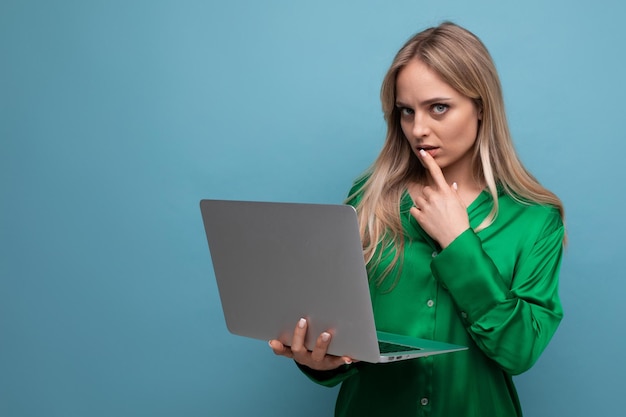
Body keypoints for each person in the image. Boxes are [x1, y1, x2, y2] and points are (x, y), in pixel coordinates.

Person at [269, 21, 565, 417]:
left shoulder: (535, 220)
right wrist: (317, 361)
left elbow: (519, 351)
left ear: (481, 106)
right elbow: (339, 333)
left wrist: (459, 242)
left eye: (438, 108)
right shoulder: (367, 201)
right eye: (407, 111)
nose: (418, 130)